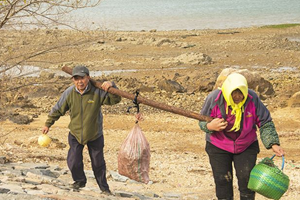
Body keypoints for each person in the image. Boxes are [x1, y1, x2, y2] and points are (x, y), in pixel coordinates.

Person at [198, 73, 285, 200]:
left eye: (241, 93)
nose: (238, 97)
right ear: (227, 91)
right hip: (218, 145)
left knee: (247, 181)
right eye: (234, 93)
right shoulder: (214, 98)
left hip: (246, 145)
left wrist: (273, 143)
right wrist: (210, 126)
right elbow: (202, 121)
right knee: (222, 181)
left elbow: (265, 122)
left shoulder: (252, 98)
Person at [42, 65, 121, 195]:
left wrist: (111, 86)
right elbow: (58, 109)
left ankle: (104, 188)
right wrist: (48, 124)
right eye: (76, 79)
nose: (80, 82)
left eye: (82, 78)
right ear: (73, 80)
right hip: (75, 133)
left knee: (98, 163)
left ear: (88, 78)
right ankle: (79, 181)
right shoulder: (69, 93)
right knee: (73, 160)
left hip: (94, 134)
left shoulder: (97, 91)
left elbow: (115, 100)